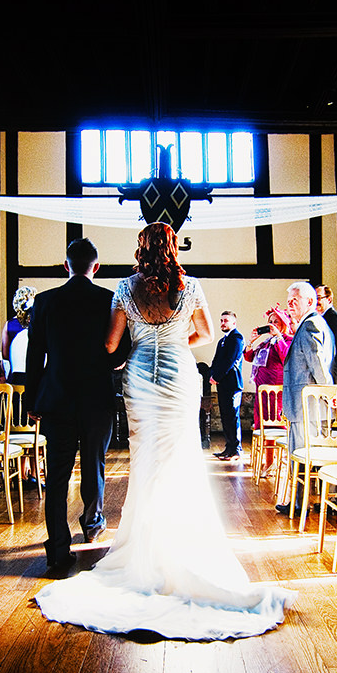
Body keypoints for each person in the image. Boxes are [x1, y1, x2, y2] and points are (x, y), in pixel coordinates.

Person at [35, 224, 295, 640]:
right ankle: (184, 542)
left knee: (147, 462)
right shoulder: (189, 285)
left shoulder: (125, 288)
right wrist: (174, 340)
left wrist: (142, 342)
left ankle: (146, 546)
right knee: (182, 459)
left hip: (140, 377)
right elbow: (207, 333)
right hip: (178, 375)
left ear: (141, 248)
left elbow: (109, 345)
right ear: (173, 247)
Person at [24, 239, 127, 573]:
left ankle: (57, 548)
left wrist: (32, 398)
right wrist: (106, 362)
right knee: (94, 463)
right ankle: (92, 523)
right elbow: (122, 349)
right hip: (96, 396)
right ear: (95, 267)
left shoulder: (45, 301)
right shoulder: (109, 299)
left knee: (57, 474)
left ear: (66, 265)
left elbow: (35, 353)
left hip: (57, 397)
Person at [274, 282, 335, 513]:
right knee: (299, 456)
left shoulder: (311, 325)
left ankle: (301, 505)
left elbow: (318, 364)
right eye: (288, 300)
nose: (290, 304)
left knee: (300, 457)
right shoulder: (309, 324)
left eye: (295, 300)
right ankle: (303, 502)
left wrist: (329, 394)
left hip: (308, 407)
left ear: (310, 302)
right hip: (304, 406)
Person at [243, 308, 291, 429]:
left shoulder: (287, 340)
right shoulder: (266, 342)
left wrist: (278, 336)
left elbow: (286, 356)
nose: (272, 325)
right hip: (261, 389)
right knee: (261, 420)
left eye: (276, 322)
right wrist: (251, 342)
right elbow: (249, 357)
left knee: (273, 419)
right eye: (270, 322)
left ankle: (273, 447)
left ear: (283, 324)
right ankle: (265, 445)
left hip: (275, 390)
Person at [209, 310, 245, 461]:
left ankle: (236, 449)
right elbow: (217, 360)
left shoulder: (237, 338)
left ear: (234, 323)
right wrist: (211, 375)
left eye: (226, 321)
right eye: (221, 320)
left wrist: (216, 376)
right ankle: (228, 447)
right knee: (225, 416)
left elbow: (229, 361)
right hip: (222, 383)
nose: (223, 323)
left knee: (232, 417)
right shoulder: (222, 340)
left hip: (232, 384)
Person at [316, 284, 337, 380]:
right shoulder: (320, 318)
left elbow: (330, 348)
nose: (316, 302)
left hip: (330, 370)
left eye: (319, 298)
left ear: (329, 299)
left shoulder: (334, 319)